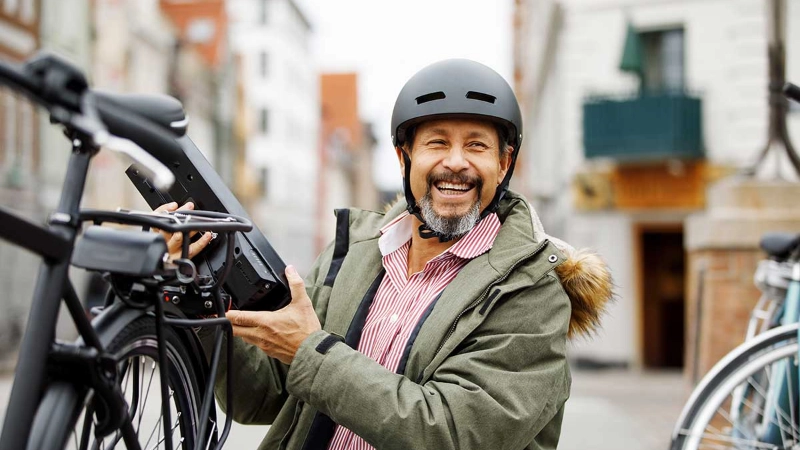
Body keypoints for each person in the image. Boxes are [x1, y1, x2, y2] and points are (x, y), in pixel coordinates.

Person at [159, 59, 613, 450]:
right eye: (437, 142)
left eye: (476, 145)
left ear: (504, 163)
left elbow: (451, 433)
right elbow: (259, 397)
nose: (456, 161)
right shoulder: (353, 253)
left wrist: (310, 353)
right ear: (404, 158)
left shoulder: (532, 292)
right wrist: (200, 287)